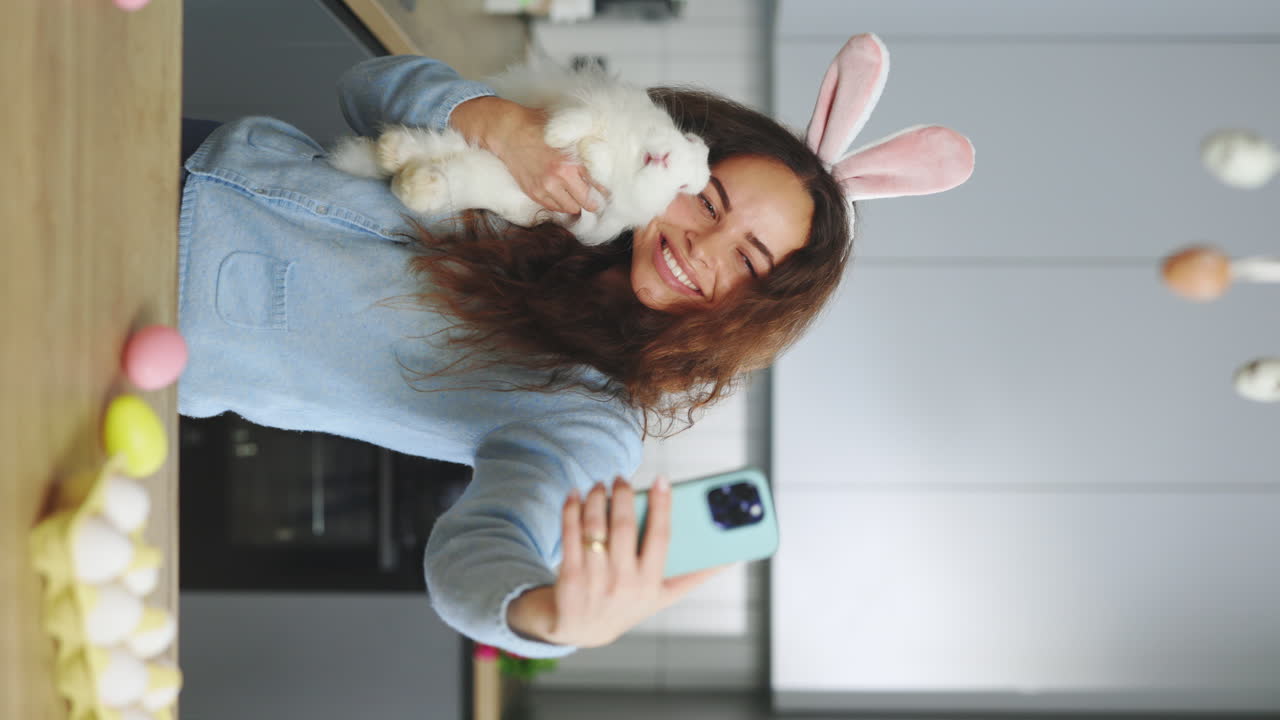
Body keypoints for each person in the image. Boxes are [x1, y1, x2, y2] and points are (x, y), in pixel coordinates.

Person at [176, 33, 973, 658]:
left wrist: (545, 612)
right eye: (712, 201)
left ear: (753, 311)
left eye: (748, 259)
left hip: (154, 319)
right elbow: (366, 92)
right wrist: (500, 122)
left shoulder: (593, 417)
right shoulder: (578, 165)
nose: (705, 248)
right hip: (184, 154)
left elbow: (485, 547)